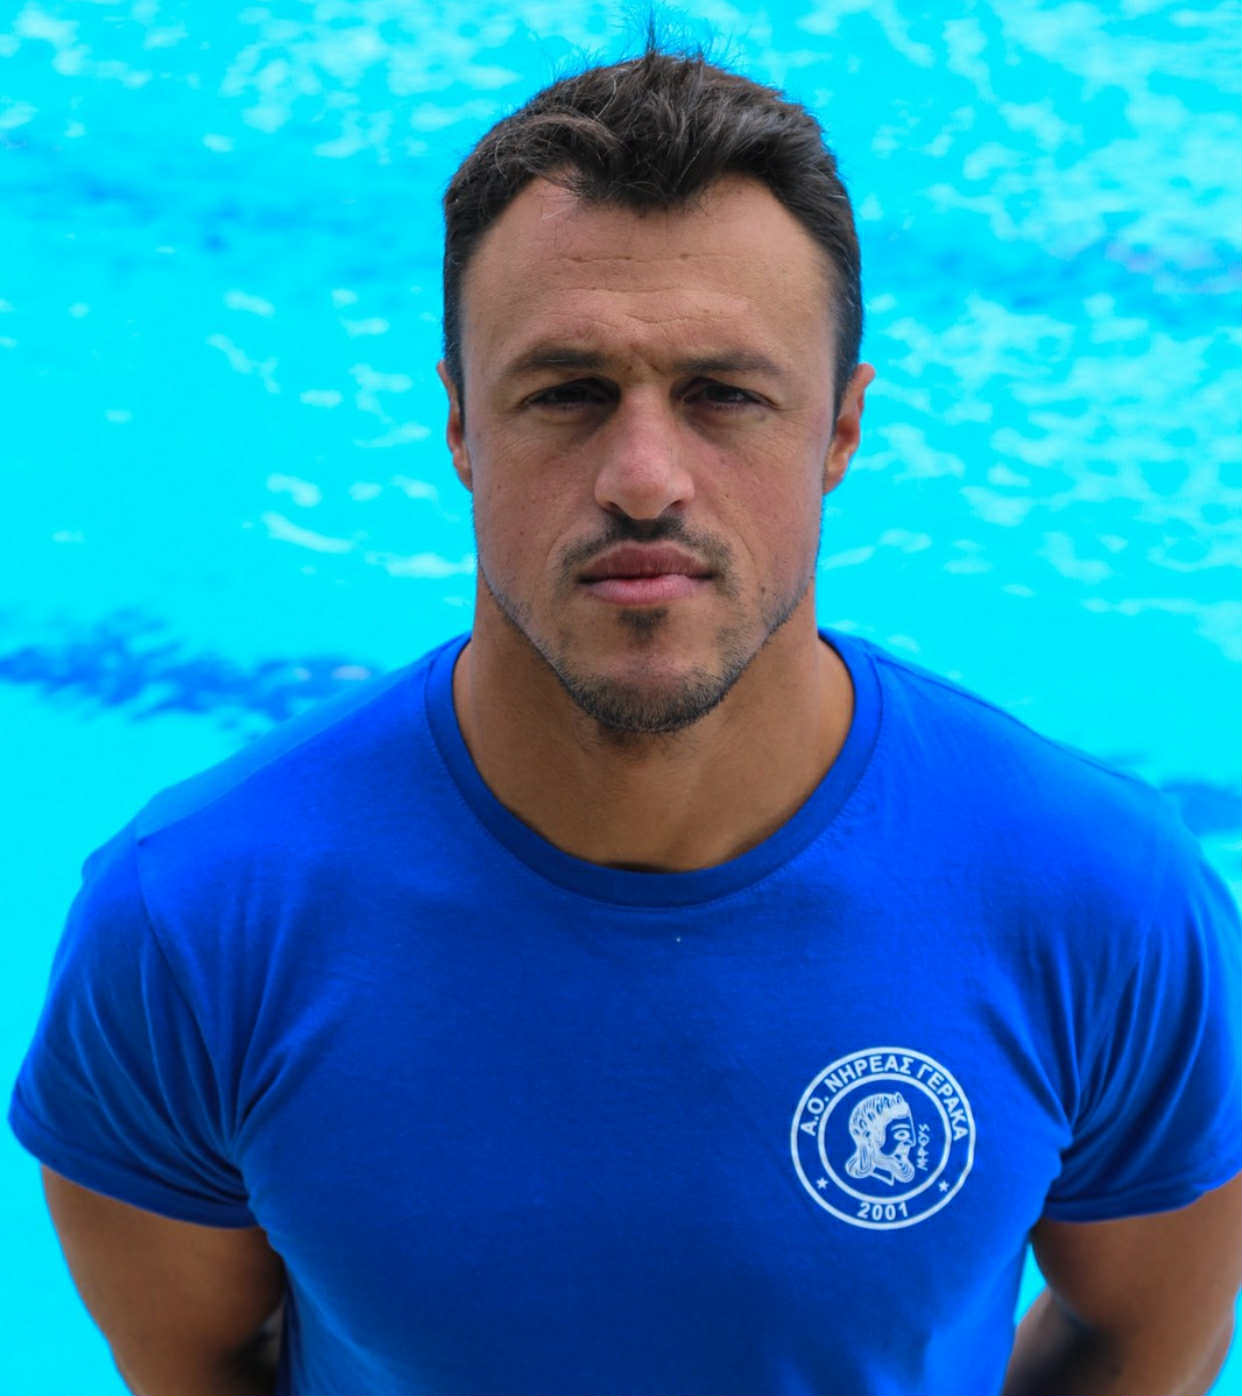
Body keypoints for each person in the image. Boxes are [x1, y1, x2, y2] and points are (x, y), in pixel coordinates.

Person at [8, 41, 1241, 1396]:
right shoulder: (196, 923)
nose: (645, 479)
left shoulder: (1098, 896)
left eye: (724, 394)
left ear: (839, 428)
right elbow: (190, 1361)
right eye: (567, 393)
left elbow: (1148, 1335)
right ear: (461, 425)